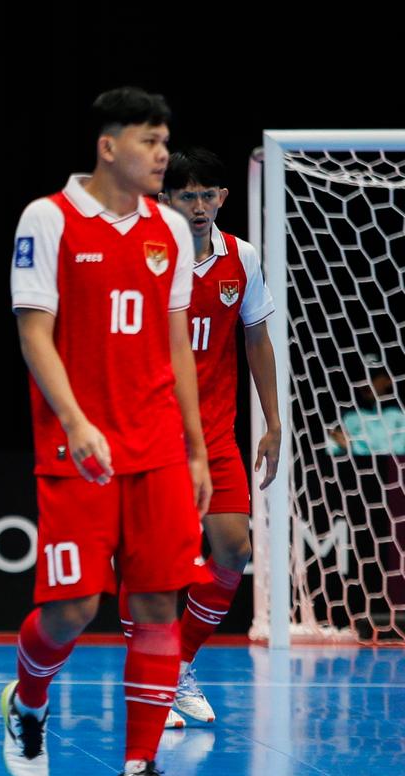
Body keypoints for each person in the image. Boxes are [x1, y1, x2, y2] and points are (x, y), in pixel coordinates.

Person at [5, 87, 212, 776]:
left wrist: (196, 450)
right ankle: (29, 700)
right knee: (72, 609)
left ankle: (139, 770)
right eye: (151, 142)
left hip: (156, 443)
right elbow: (35, 335)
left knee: (157, 601)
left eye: (165, 142)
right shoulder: (48, 218)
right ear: (109, 146)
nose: (163, 156)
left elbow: (176, 346)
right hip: (77, 446)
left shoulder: (171, 230)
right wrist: (75, 419)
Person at [115, 148, 280, 729]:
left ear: (224, 199)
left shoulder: (244, 257)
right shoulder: (146, 257)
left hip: (216, 433)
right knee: (150, 564)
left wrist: (273, 422)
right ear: (164, 199)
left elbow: (257, 340)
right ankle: (150, 672)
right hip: (153, 430)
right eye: (188, 195)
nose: (201, 205)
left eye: (209, 194)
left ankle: (177, 665)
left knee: (233, 549)